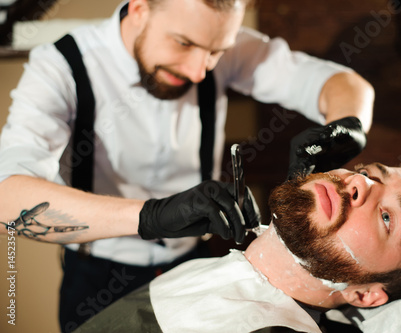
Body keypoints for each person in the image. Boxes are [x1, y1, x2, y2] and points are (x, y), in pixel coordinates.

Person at [0, 0, 374, 331]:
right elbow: (7, 201)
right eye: (184, 43)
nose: (199, 70)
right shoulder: (60, 66)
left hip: (195, 265)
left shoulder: (217, 42)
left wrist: (347, 125)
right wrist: (152, 216)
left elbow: (342, 83)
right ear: (139, 8)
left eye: (215, 52)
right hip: (98, 278)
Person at [71, 154, 401, 332]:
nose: (358, 182)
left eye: (388, 216)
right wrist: (147, 217)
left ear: (366, 294)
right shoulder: (228, 270)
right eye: (369, 173)